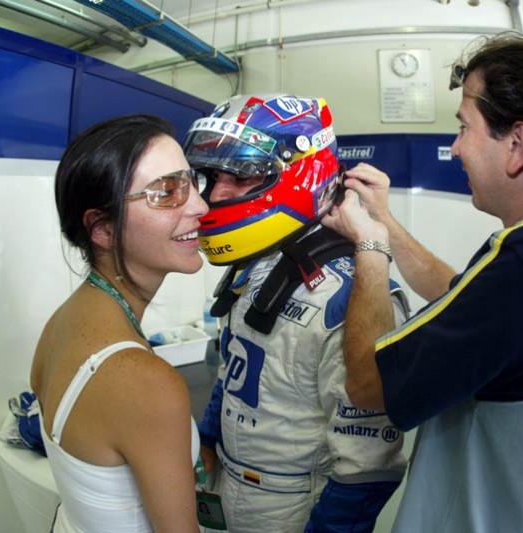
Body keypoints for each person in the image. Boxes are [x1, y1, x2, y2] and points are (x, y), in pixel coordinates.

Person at [322, 34, 523, 533]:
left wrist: (371, 248)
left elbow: (367, 384)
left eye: (464, 127)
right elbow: (462, 302)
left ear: (517, 144)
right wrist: (386, 221)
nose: (455, 147)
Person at [183, 94, 407, 532]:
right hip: (231, 485)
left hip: (296, 508)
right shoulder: (255, 264)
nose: (216, 195)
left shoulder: (359, 293)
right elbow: (237, 366)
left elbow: (368, 465)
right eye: (212, 176)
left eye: (241, 175)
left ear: (301, 173)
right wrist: (208, 438)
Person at [30, 114, 207, 533]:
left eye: (191, 181)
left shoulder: (63, 322)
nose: (200, 206)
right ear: (104, 229)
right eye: (167, 192)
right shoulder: (147, 383)